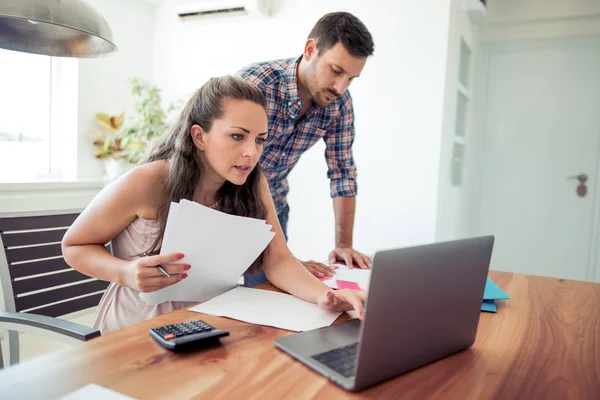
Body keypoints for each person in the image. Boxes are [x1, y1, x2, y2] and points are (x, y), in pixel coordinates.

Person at [62, 76, 366, 335]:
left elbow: (278, 260)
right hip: (136, 328)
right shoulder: (149, 181)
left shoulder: (252, 183)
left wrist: (326, 296)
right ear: (200, 136)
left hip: (212, 320)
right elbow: (74, 246)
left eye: (260, 140)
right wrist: (125, 272)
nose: (251, 152)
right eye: (237, 136)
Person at [236, 12, 374, 286]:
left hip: (273, 208)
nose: (340, 87)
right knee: (212, 301)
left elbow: (343, 173)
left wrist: (344, 245)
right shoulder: (256, 84)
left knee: (270, 301)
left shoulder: (340, 104)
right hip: (226, 209)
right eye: (336, 71)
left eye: (351, 79)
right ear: (311, 50)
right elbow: (219, 157)